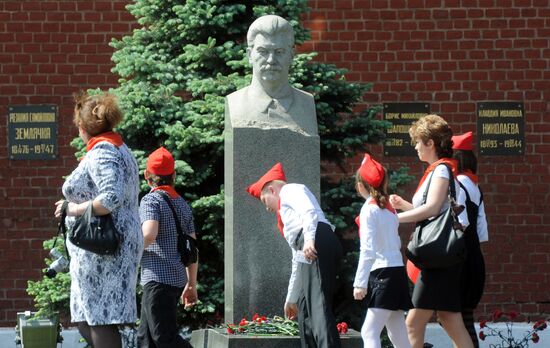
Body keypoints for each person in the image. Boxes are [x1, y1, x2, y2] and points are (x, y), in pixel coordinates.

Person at [54, 91, 142, 348]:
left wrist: (73, 209)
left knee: (100, 318)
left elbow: (111, 197)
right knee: (86, 318)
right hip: (102, 247)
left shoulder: (103, 151)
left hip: (104, 248)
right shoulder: (115, 147)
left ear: (82, 127)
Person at [389, 114, 473, 348]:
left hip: (439, 262)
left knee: (413, 324)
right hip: (443, 258)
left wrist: (394, 219)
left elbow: (433, 208)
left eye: (418, 141)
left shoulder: (442, 170)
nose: (415, 147)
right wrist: (404, 206)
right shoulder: (438, 170)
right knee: (449, 319)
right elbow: (434, 210)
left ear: (430, 143)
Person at [246, 162, 342, 348]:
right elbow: (297, 260)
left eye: (264, 201)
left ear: (272, 190)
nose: (268, 209)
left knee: (318, 306)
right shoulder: (288, 221)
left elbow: (309, 211)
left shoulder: (291, 190)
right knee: (305, 311)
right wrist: (291, 298)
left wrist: (309, 240)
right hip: (312, 243)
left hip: (317, 240)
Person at [138, 147, 198, 348]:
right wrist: (191, 284)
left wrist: (129, 254)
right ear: (173, 175)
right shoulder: (182, 204)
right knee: (146, 339)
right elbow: (192, 248)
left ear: (147, 175)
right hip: (175, 279)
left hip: (157, 279)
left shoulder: (151, 200)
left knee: (164, 338)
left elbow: (149, 233)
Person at [353, 154, 412, 348]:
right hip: (396, 272)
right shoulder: (389, 209)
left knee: (369, 331)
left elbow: (367, 250)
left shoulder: (369, 209)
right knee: (397, 331)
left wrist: (360, 283)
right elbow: (396, 242)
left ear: (361, 186)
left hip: (382, 274)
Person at [226, 14, 318, 135]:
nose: (271, 60)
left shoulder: (306, 104)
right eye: (263, 51)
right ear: (250, 55)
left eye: (279, 52)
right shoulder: (235, 104)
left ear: (291, 54)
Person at [452, 132, 489, 347]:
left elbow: (460, 222)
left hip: (461, 258)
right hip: (475, 257)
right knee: (464, 319)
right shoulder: (476, 187)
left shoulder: (458, 185)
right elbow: (482, 232)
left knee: (455, 319)